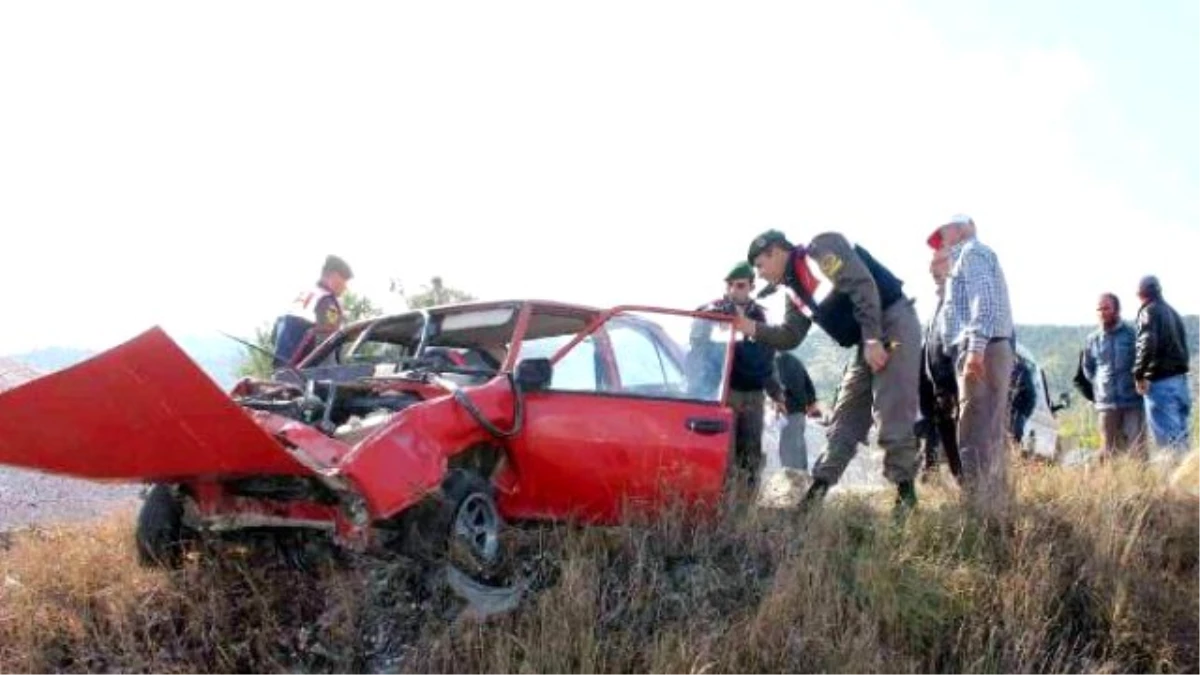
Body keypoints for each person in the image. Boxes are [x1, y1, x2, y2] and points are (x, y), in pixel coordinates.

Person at [738, 228, 922, 515]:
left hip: (891, 327)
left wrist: (873, 339)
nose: (760, 274)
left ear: (775, 252)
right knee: (845, 416)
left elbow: (863, 286)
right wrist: (750, 328)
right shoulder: (792, 289)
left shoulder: (821, 250)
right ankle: (815, 497)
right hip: (868, 339)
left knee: (891, 408)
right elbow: (790, 335)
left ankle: (906, 499)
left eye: (760, 265)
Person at [927, 214, 1015, 516]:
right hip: (978, 349)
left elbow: (985, 303)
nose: (940, 244)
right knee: (983, 428)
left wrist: (975, 351)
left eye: (943, 234)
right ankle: (992, 505)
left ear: (962, 227)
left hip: (982, 350)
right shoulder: (963, 259)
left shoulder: (973, 253)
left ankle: (981, 506)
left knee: (977, 429)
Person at [693, 261, 786, 489]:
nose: (735, 290)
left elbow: (768, 359)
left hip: (754, 394)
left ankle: (745, 509)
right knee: (726, 453)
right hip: (726, 392)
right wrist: (716, 321)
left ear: (751, 287)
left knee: (751, 454)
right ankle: (724, 507)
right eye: (731, 285)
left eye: (741, 285)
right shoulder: (712, 312)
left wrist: (777, 395)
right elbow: (697, 348)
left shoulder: (762, 316)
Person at [1079, 293, 1148, 459]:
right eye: (1099, 309)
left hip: (1132, 401)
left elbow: (1142, 362)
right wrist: (1099, 385)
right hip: (1106, 404)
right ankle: (1112, 484)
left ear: (1117, 310)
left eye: (1106, 308)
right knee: (1108, 452)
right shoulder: (1093, 339)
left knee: (1137, 449)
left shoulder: (1132, 335)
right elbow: (1087, 368)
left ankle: (1142, 483)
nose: (1102, 312)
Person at [916, 245, 962, 483]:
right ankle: (968, 493)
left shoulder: (959, 300)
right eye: (932, 263)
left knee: (966, 449)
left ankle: (981, 499)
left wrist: (951, 388)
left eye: (939, 262)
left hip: (956, 392)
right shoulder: (939, 304)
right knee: (952, 453)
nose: (932, 269)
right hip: (939, 397)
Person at [1132, 275, 1192, 455]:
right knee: (1182, 437)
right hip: (1180, 382)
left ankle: (1176, 482)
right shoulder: (1172, 312)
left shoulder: (1148, 311)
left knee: (1168, 443)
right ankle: (1189, 479)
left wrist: (1139, 374)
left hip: (1161, 384)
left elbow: (1147, 342)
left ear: (1140, 293)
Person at [272, 254, 353, 368]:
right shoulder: (326, 300)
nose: (345, 287)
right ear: (334, 276)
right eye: (344, 281)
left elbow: (276, 333)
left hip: (282, 368)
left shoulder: (304, 295)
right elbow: (328, 344)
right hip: (307, 375)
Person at [774, 350, 820, 488]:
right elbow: (809, 387)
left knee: (791, 459)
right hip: (798, 413)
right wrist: (808, 404)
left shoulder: (781, 361)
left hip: (791, 413)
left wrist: (784, 403)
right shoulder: (794, 360)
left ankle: (794, 498)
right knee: (798, 456)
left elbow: (783, 387)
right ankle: (803, 498)